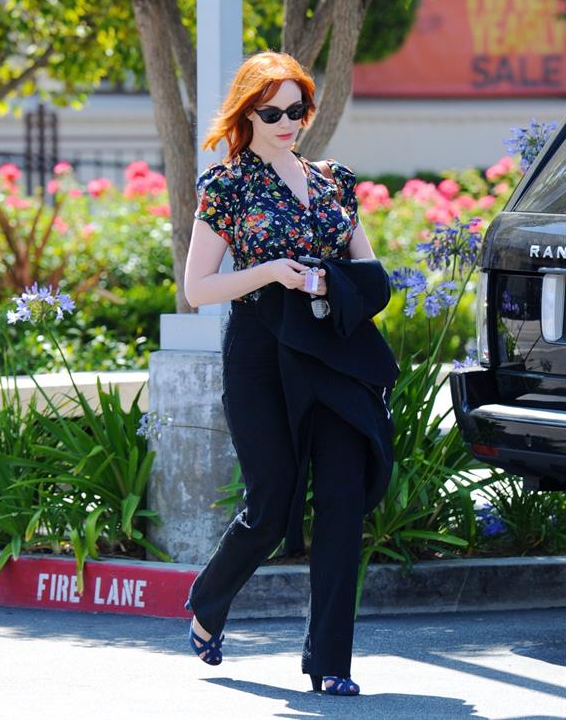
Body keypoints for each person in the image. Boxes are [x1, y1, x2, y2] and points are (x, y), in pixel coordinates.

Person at [183, 50, 392, 697]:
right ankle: (207, 602)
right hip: (259, 349)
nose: (286, 121)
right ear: (246, 113)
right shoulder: (226, 185)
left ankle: (330, 662)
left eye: (296, 108)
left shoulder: (332, 179)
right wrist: (273, 271)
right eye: (270, 110)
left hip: (330, 347)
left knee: (340, 499)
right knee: (270, 507)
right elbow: (197, 288)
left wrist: (334, 278)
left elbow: (372, 272)